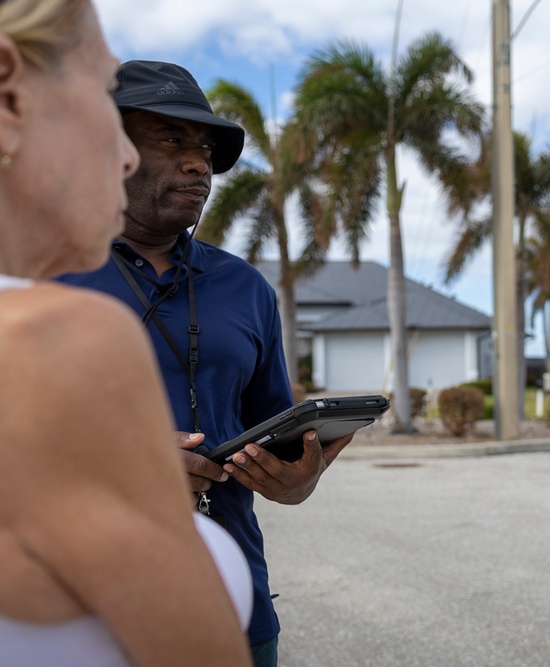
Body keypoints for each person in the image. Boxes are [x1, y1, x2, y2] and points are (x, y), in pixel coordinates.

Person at [60, 59, 353, 667]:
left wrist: (298, 479)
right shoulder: (38, 272)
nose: (199, 163)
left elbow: (272, 432)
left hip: (232, 606)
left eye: (205, 148)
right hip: (74, 615)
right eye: (171, 140)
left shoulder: (246, 287)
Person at [0, 1, 253, 665]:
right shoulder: (61, 334)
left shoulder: (244, 285)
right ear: (8, 94)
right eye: (99, 94)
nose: (118, 155)